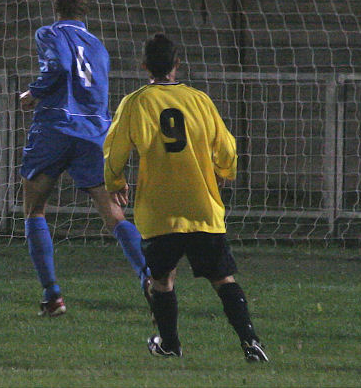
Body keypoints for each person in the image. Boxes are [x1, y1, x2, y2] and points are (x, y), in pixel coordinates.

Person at [103, 33, 268, 362]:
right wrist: (225, 171)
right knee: (222, 277)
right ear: (177, 65)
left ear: (145, 66)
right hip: (201, 206)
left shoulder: (136, 102)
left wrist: (115, 181)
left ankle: (170, 343)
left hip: (160, 211)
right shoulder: (200, 100)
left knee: (161, 279)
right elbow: (228, 148)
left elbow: (114, 151)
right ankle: (250, 341)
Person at [18, 0, 150, 317]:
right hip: (93, 132)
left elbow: (59, 65)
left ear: (55, 6)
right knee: (113, 213)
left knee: (34, 209)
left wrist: (34, 93)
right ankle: (148, 279)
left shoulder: (49, 33)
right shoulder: (97, 46)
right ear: (84, 8)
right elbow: (99, 94)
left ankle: (53, 296)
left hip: (54, 127)